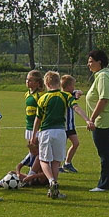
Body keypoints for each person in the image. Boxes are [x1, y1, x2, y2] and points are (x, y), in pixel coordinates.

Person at [83, 49, 109, 191]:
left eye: (91, 61)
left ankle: (105, 184)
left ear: (100, 62)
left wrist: (91, 118)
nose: (89, 64)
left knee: (104, 153)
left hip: (104, 120)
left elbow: (103, 99)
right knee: (108, 152)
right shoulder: (102, 75)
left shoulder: (103, 77)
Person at [31, 70, 69, 199]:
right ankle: (54, 191)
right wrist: (87, 120)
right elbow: (76, 107)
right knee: (56, 161)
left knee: (44, 159)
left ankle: (52, 181)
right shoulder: (64, 96)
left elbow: (38, 119)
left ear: (46, 82)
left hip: (46, 131)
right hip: (60, 132)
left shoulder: (43, 98)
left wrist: (33, 135)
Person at [15, 69, 45, 177]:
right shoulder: (27, 94)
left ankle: (33, 173)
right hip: (28, 127)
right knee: (32, 150)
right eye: (27, 80)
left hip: (37, 128)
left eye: (31, 80)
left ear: (38, 82)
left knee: (37, 151)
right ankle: (32, 171)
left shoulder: (40, 95)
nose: (28, 82)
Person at [60, 73, 81, 173]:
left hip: (70, 126)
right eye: (73, 85)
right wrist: (76, 94)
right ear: (68, 86)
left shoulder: (71, 94)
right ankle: (58, 165)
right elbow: (73, 97)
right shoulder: (63, 95)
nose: (74, 87)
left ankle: (67, 163)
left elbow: (78, 92)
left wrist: (77, 92)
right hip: (62, 127)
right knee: (60, 147)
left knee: (76, 143)